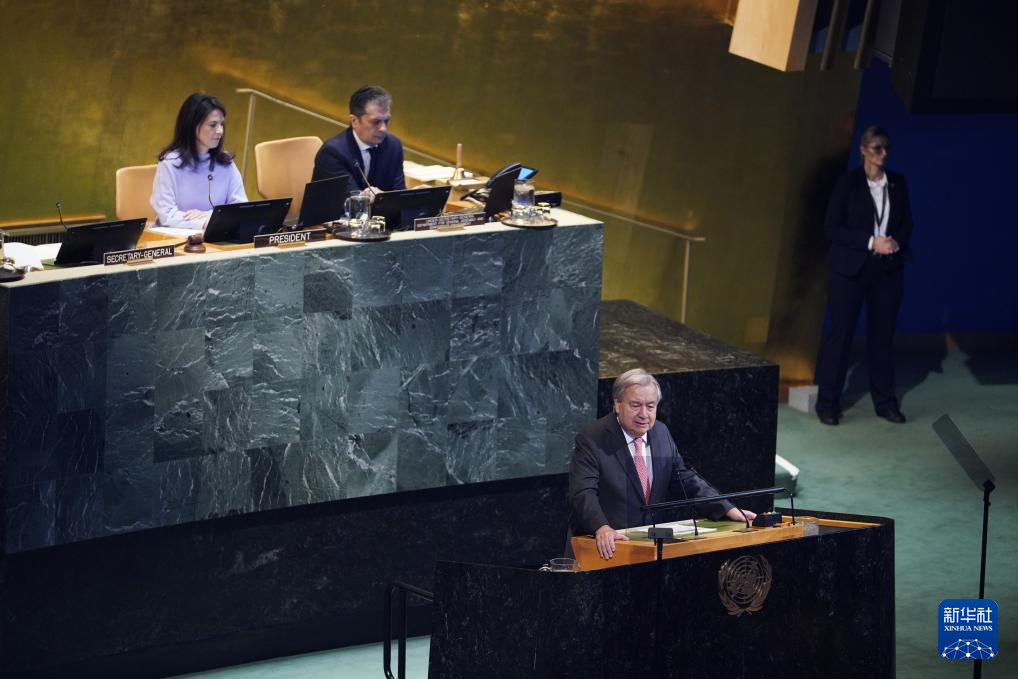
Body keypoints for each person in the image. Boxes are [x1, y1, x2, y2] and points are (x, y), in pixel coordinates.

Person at [568, 369, 757, 561]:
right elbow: (583, 492)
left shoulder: (660, 433)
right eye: (636, 405)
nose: (644, 414)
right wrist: (601, 527)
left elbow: (686, 480)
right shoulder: (593, 438)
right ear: (617, 404)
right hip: (606, 551)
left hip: (650, 550)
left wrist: (726, 508)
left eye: (650, 406)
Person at [814, 125, 914, 426]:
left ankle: (885, 403)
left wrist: (894, 242)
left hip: (887, 271)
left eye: (886, 148)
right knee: (840, 336)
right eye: (877, 148)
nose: (883, 154)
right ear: (863, 150)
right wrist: (872, 242)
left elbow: (907, 224)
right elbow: (832, 228)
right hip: (849, 270)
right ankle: (828, 404)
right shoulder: (848, 183)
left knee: (882, 338)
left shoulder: (898, 182)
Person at [150, 93, 247, 229]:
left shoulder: (226, 163)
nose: (220, 131)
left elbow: (240, 208)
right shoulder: (169, 163)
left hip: (213, 233)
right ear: (192, 125)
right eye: (213, 125)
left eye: (221, 124)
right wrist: (202, 223)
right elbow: (167, 215)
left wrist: (207, 216)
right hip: (174, 236)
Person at [311, 85, 406, 196]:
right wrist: (377, 197)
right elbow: (351, 198)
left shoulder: (393, 146)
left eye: (386, 121)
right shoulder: (333, 152)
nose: (383, 128)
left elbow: (399, 193)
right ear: (354, 121)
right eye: (375, 122)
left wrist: (416, 195)